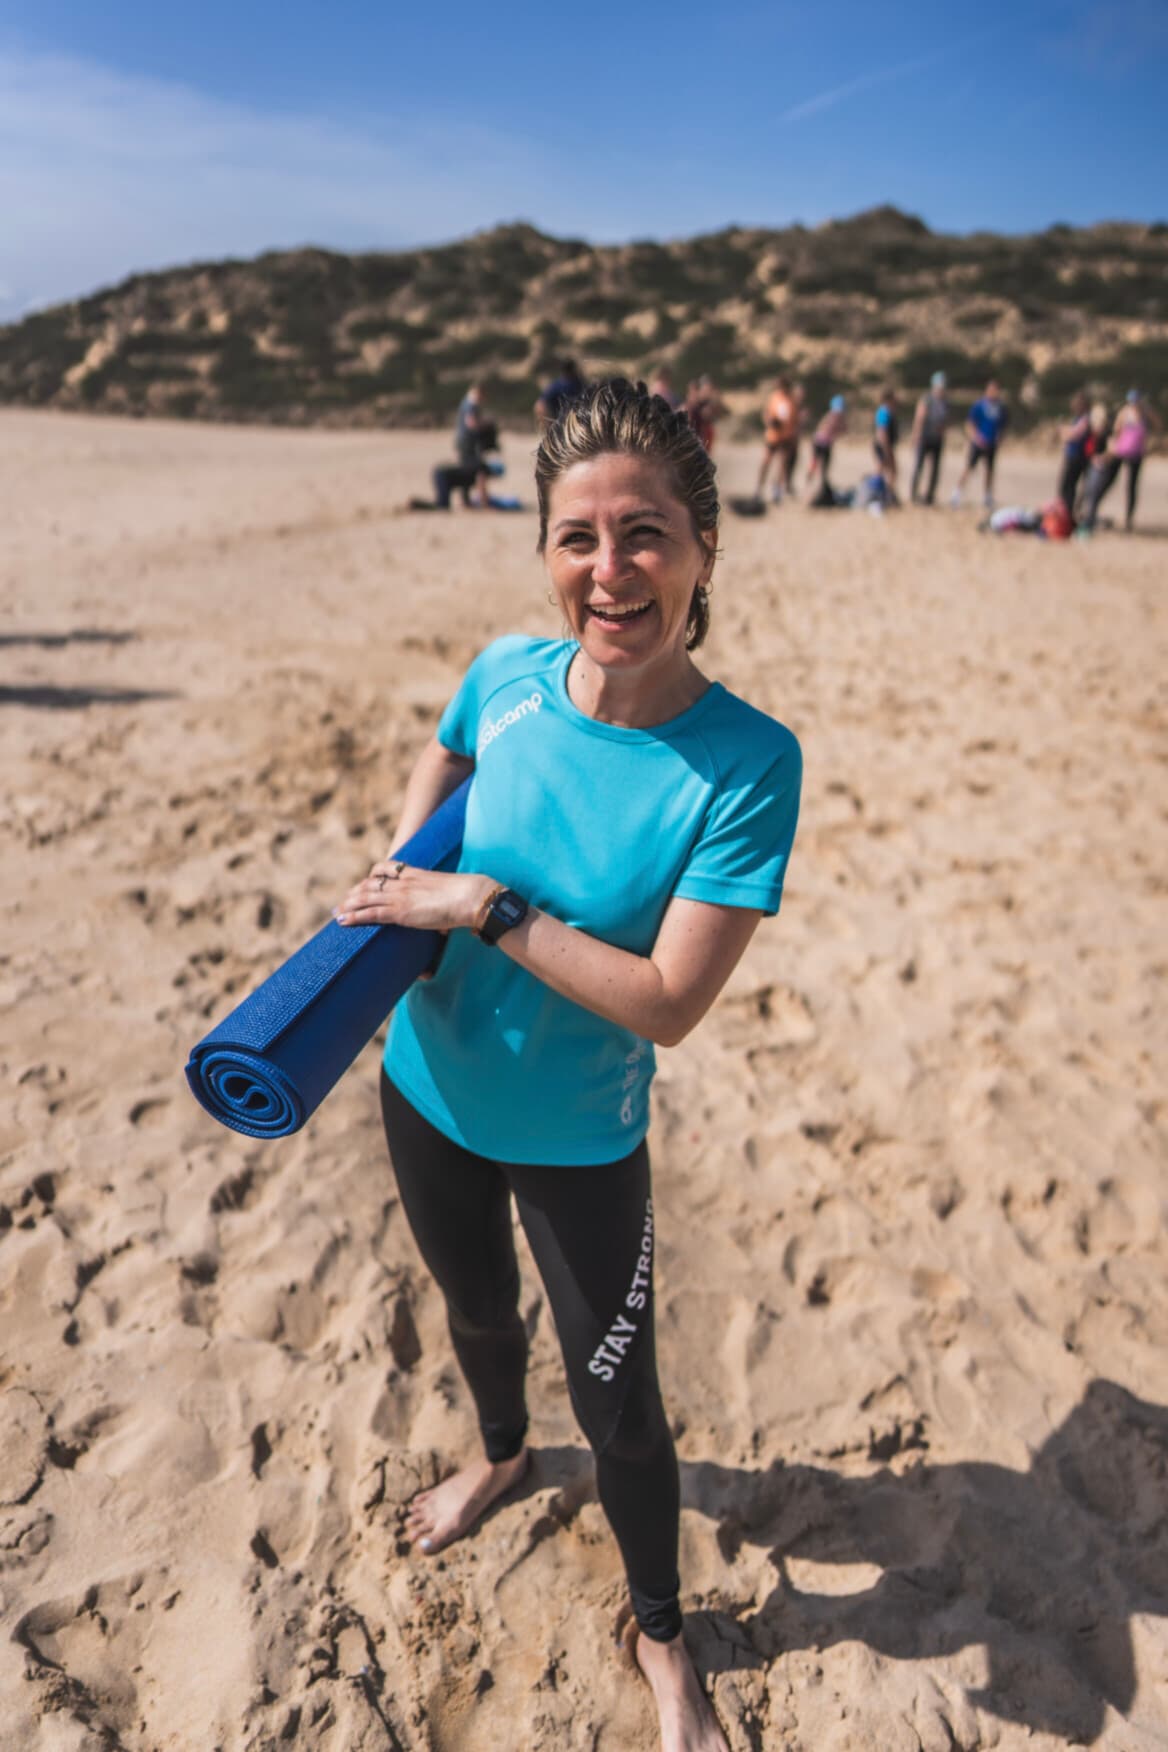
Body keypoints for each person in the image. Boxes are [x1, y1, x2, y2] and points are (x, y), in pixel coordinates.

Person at [336, 378, 802, 1752]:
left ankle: (662, 1636)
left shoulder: (743, 764)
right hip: (426, 1088)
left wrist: (480, 906)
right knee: (476, 1318)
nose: (611, 573)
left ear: (702, 551)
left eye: (646, 534)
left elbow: (666, 1001)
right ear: (544, 545)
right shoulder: (506, 673)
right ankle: (498, 1457)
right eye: (579, 538)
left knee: (628, 1418)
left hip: (579, 1142)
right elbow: (450, 746)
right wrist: (408, 860)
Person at [1078, 389, 1162, 534]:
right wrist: (1110, 450)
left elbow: (1158, 425)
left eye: (1136, 401)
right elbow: (1115, 432)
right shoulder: (1124, 413)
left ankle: (1129, 520)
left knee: (1131, 487)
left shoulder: (1145, 413)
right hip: (1120, 452)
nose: (1134, 404)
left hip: (1136, 455)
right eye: (1132, 401)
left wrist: (1148, 414)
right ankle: (1091, 510)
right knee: (1107, 481)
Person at [950, 378, 1008, 509]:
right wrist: (976, 438)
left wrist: (1000, 439)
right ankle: (957, 493)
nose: (994, 392)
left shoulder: (1001, 408)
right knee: (969, 468)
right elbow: (970, 424)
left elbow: (1003, 427)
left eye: (996, 390)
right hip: (978, 443)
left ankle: (987, 496)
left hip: (992, 444)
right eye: (991, 389)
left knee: (989, 471)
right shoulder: (979, 405)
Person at [755, 375, 798, 501]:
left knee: (782, 464)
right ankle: (759, 489)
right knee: (766, 462)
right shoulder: (775, 397)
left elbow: (795, 419)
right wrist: (769, 421)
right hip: (773, 435)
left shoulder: (791, 399)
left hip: (786, 436)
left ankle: (776, 490)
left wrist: (793, 435)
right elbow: (767, 413)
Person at [910, 371, 949, 505]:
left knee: (935, 469)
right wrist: (916, 435)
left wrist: (943, 433)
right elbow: (919, 417)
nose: (941, 389)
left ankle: (930, 496)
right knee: (919, 466)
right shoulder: (927, 399)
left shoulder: (944, 401)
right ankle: (914, 494)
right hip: (924, 437)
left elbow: (945, 421)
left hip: (937, 439)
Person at [803, 394, 847, 502]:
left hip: (827, 444)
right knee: (815, 464)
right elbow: (824, 430)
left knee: (825, 468)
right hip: (819, 443)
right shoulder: (830, 416)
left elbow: (842, 430)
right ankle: (809, 486)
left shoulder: (838, 418)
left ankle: (821, 487)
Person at [1055, 392, 1091, 517]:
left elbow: (1073, 435)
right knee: (1065, 487)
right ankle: (1065, 511)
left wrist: (1064, 431)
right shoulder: (1078, 419)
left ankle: (1069, 513)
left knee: (1069, 487)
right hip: (1071, 456)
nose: (1073, 406)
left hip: (1078, 458)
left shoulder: (1085, 419)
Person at [535, 357, 586, 426]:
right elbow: (541, 404)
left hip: (572, 421)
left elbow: (540, 404)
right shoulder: (559, 385)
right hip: (564, 421)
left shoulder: (576, 384)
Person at [684, 375, 727, 453]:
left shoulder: (708, 402)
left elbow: (718, 413)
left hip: (703, 436)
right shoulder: (694, 403)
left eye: (708, 388)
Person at [872, 386, 900, 502]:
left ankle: (887, 494)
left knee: (890, 471)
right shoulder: (884, 412)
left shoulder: (887, 411)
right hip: (883, 446)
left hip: (886, 446)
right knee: (883, 470)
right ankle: (877, 494)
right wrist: (886, 449)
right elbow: (882, 432)